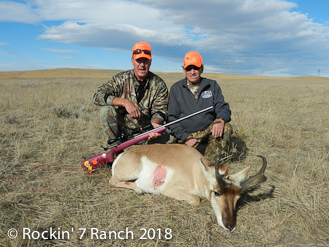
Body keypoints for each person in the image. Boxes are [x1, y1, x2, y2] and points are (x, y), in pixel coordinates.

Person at [93, 41, 169, 145]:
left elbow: (161, 111)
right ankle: (115, 149)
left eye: (145, 61)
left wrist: (155, 124)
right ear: (132, 61)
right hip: (123, 130)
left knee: (168, 136)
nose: (142, 65)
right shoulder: (121, 79)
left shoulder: (159, 84)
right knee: (106, 110)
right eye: (138, 61)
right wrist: (124, 102)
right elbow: (97, 96)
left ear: (150, 62)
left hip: (147, 132)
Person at [168, 51, 232, 163]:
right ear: (184, 70)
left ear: (201, 69)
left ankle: (210, 163)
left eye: (196, 68)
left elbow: (222, 106)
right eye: (189, 68)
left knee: (226, 126)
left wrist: (220, 119)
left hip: (208, 131)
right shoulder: (176, 88)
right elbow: (172, 119)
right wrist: (185, 137)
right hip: (188, 135)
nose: (192, 72)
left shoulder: (212, 85)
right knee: (181, 163)